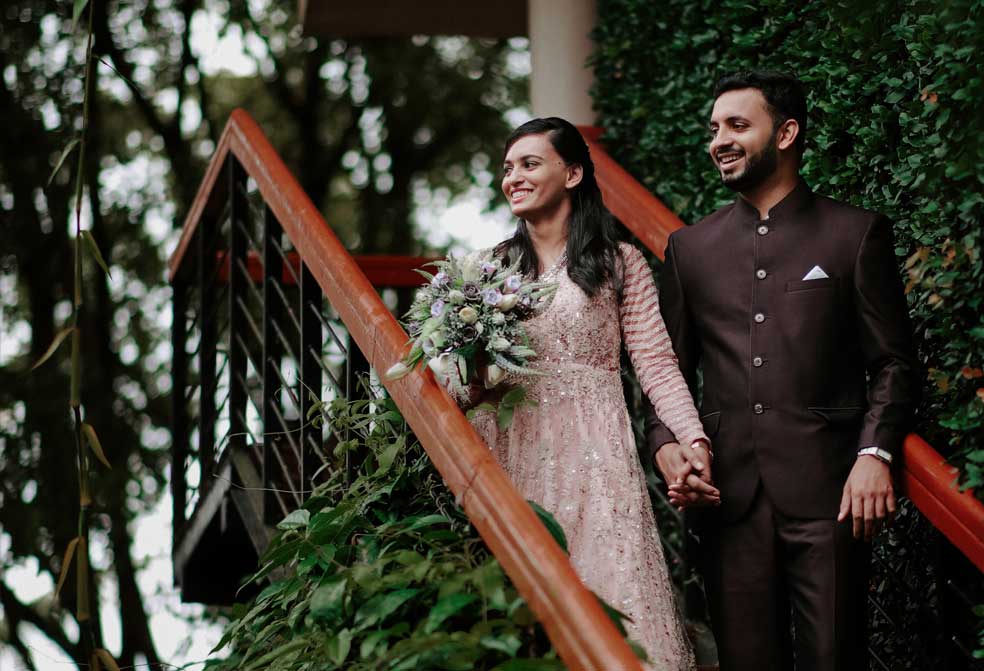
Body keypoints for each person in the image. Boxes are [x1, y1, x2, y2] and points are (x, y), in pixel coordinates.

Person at [646, 71, 921, 671]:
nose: (719, 139)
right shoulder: (689, 250)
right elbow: (664, 372)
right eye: (714, 128)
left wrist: (875, 455)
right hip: (727, 500)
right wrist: (667, 445)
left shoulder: (854, 234)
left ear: (788, 132)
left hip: (831, 496)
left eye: (737, 125)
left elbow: (894, 364)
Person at [450, 117, 712, 670]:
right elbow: (460, 387)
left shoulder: (619, 262)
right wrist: (470, 370)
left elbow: (657, 365)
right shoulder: (488, 272)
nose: (512, 178)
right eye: (507, 168)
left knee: (609, 593)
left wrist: (692, 438)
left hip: (598, 461)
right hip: (512, 455)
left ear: (571, 174)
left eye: (529, 164)